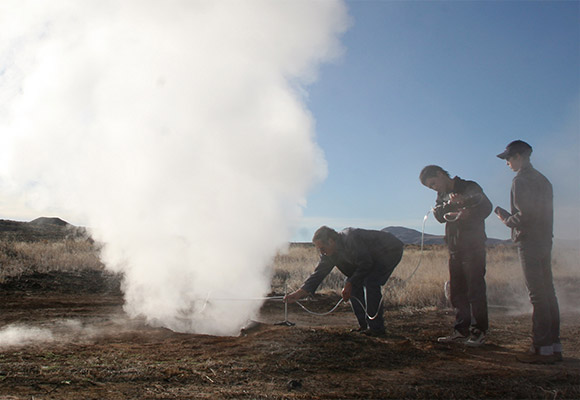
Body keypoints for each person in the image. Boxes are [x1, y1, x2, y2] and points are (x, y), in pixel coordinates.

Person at [496, 140, 561, 364]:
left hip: (529, 241)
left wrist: (506, 220)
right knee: (548, 293)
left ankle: (541, 348)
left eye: (509, 158)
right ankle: (554, 346)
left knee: (537, 295)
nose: (507, 163)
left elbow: (524, 216)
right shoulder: (543, 180)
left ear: (520, 156)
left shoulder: (521, 180)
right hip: (544, 240)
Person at [284, 226, 404, 336]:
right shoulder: (329, 253)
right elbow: (318, 274)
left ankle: (376, 329)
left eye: (322, 248)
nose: (321, 252)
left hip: (390, 250)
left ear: (331, 241)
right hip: (371, 258)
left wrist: (350, 283)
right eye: (318, 249)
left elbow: (366, 263)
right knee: (353, 284)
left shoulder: (351, 239)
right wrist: (299, 293)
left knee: (370, 282)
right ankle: (364, 326)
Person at [419, 165, 492, 347]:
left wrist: (466, 211)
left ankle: (478, 331)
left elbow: (486, 207)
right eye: (430, 187)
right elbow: (439, 216)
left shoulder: (469, 186)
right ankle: (461, 330)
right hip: (455, 248)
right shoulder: (441, 196)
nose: (434, 188)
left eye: (433, 183)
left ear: (441, 174)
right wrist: (446, 207)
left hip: (473, 247)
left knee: (475, 290)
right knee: (457, 291)